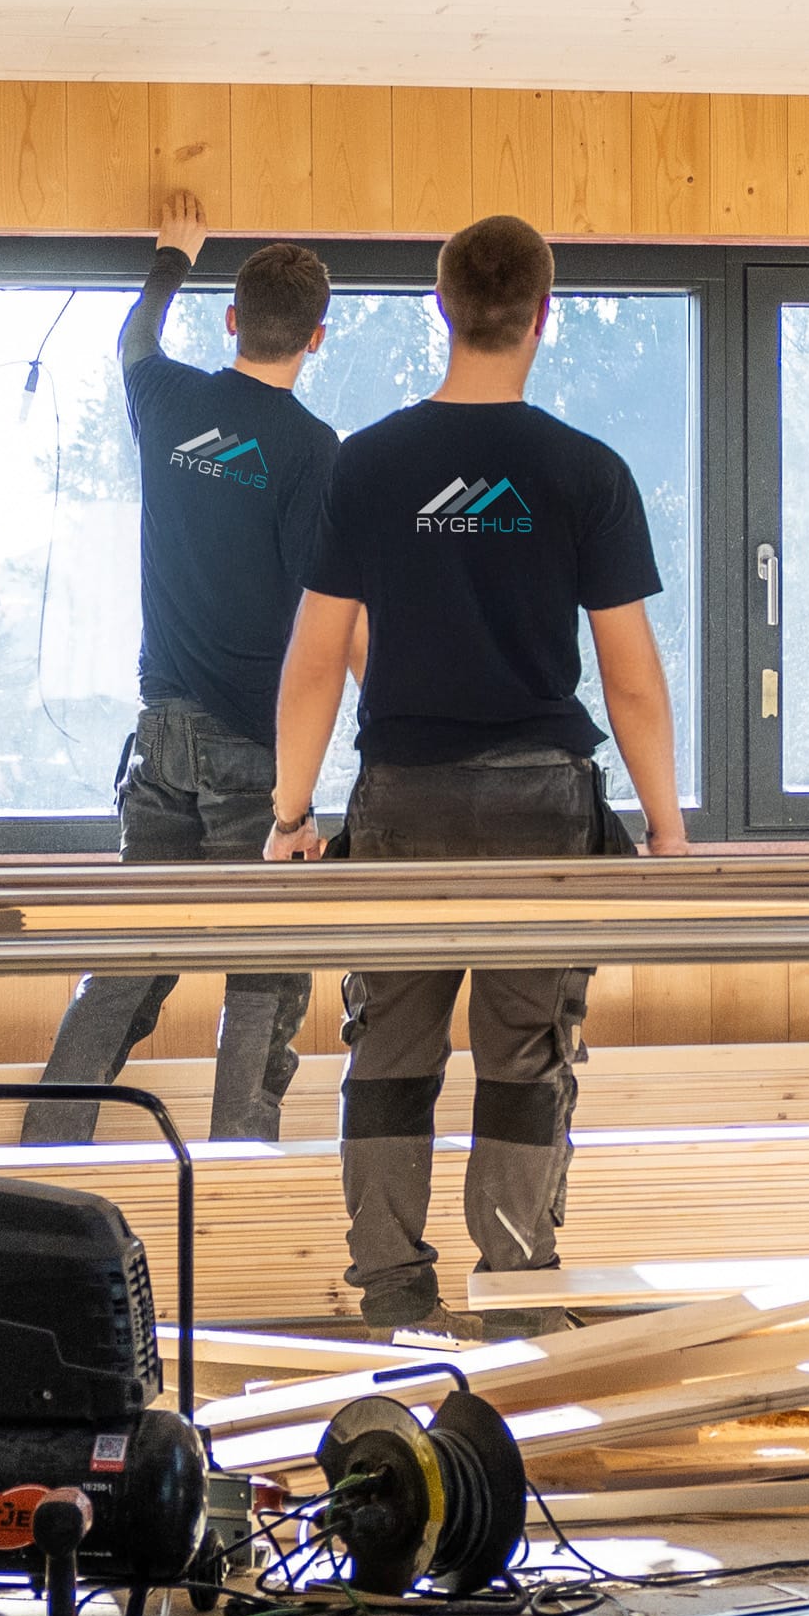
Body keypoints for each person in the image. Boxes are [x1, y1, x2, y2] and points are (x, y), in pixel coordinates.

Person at [265, 212, 687, 1336]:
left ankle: (395, 1291)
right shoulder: (583, 470)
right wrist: (666, 828)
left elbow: (314, 661)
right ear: (542, 314)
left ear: (440, 307)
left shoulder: (369, 463)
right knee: (523, 1055)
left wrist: (291, 814)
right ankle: (512, 1291)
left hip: (400, 800)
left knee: (390, 1050)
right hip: (540, 805)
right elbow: (631, 678)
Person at [25, 191, 342, 1147]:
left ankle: (41, 1159)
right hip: (253, 742)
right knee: (265, 967)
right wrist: (297, 796)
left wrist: (172, 255)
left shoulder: (167, 402)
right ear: (317, 338)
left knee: (128, 959)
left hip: (158, 736)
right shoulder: (313, 453)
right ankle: (237, 1165)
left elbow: (134, 338)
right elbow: (318, 623)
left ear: (235, 320)